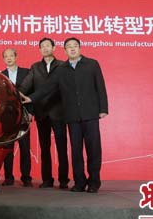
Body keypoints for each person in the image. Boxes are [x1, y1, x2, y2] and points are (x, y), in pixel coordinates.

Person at [21, 37, 108, 193]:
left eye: (75, 46)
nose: (72, 48)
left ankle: (94, 182)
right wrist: (31, 98)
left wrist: (103, 109)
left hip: (90, 114)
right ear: (65, 50)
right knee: (76, 151)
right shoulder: (62, 69)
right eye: (69, 47)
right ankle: (79, 182)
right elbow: (48, 87)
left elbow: (100, 87)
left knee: (93, 149)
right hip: (72, 116)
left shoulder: (92, 64)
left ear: (79, 48)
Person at [19, 37, 69, 189]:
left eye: (48, 45)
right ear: (40, 50)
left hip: (59, 112)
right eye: (42, 46)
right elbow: (25, 86)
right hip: (41, 113)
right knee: (44, 148)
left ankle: (63, 180)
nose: (45, 48)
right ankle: (47, 179)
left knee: (62, 148)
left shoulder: (63, 65)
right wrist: (15, 93)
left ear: (54, 48)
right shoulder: (35, 67)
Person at [0, 48, 32, 187]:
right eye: (6, 56)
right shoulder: (0, 75)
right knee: (8, 149)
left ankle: (26, 178)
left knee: (25, 148)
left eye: (11, 56)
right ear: (3, 59)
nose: (9, 58)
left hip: (24, 116)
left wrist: (31, 112)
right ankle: (8, 177)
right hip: (7, 118)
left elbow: (31, 93)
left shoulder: (27, 73)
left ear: (16, 57)